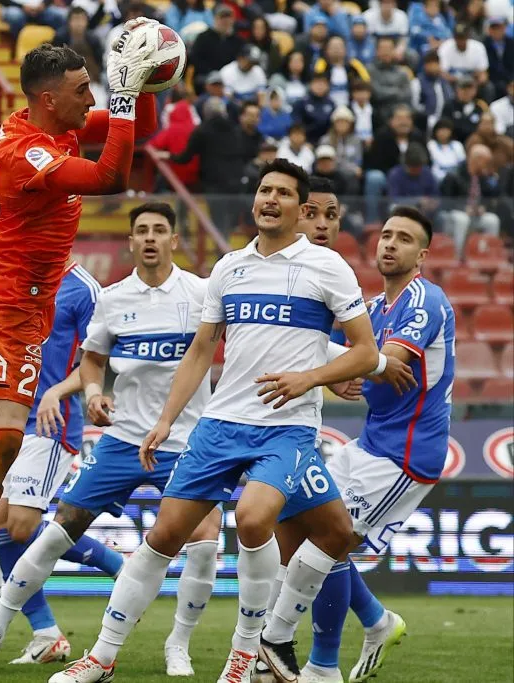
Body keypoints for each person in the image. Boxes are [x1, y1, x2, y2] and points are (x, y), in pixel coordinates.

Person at [50, 159, 379, 683]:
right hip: (220, 423)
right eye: (264, 190)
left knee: (253, 519)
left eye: (283, 194)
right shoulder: (228, 268)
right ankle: (102, 656)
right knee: (165, 535)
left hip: (286, 427)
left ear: (301, 209)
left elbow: (365, 353)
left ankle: (245, 654)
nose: (270, 199)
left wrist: (311, 377)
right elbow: (202, 349)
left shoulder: (327, 267)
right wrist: (166, 420)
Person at [0, 40, 158, 639]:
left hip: (21, 300)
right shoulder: (28, 153)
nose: (93, 100)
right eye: (84, 90)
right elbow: (113, 175)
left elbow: (140, 129)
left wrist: (145, 79)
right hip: (9, 305)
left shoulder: (54, 126)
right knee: (2, 439)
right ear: (50, 99)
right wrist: (124, 97)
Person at [0, 203, 224, 678]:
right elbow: (92, 360)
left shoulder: (201, 294)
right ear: (131, 243)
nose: (151, 238)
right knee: (58, 529)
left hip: (186, 442)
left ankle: (179, 644)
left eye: (160, 230)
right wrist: (92, 393)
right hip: (122, 440)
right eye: (142, 231)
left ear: (175, 241)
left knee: (203, 541)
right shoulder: (114, 298)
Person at [298, 207, 455, 683]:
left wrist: (357, 366)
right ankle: (376, 621)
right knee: (311, 527)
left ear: (422, 255)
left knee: (328, 543)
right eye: (386, 234)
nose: (390, 244)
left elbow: (388, 360)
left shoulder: (425, 300)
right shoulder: (374, 307)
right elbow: (364, 361)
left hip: (405, 454)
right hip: (371, 443)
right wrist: (354, 369)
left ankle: (323, 667)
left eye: (404, 239)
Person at [364, 105, 424, 222]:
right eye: (400, 118)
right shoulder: (382, 136)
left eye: (407, 118)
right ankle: (372, 221)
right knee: (374, 178)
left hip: (412, 177)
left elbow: (426, 162)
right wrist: (395, 174)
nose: (404, 122)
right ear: (391, 121)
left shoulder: (417, 137)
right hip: (386, 177)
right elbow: (374, 163)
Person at [440, 144, 503, 250]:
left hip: (474, 214)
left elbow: (492, 196)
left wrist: (483, 207)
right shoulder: (454, 175)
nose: (487, 165)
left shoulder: (482, 176)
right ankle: (457, 255)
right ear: (477, 160)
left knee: (493, 220)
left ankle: (487, 253)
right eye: (486, 162)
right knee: (462, 219)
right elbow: (446, 202)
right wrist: (463, 208)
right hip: (453, 215)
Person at [188, 4, 242, 94]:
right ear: (215, 19)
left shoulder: (238, 41)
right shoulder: (203, 37)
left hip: (231, 78)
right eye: (222, 17)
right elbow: (195, 58)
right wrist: (210, 72)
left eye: (228, 17)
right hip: (206, 76)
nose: (225, 20)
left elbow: (239, 60)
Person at [311, 35, 371, 109]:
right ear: (326, 50)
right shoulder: (321, 64)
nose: (336, 49)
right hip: (326, 106)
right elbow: (316, 84)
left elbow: (366, 83)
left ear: (345, 49)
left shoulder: (354, 65)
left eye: (339, 46)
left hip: (351, 106)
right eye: (333, 47)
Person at [367, 37, 412, 122]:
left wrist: (387, 92)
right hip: (379, 110)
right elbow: (376, 93)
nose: (386, 52)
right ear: (377, 51)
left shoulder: (402, 72)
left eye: (389, 49)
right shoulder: (370, 70)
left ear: (394, 51)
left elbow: (407, 95)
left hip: (400, 109)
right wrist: (397, 91)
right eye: (383, 49)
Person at [437, 23, 490, 92]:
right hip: (453, 82)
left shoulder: (478, 47)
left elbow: (483, 73)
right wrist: (457, 80)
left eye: (462, 38)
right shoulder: (445, 47)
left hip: (473, 81)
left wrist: (475, 83)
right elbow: (441, 72)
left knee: (488, 87)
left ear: (468, 36)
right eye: (458, 38)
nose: (460, 41)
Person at [319, 105, 362, 180]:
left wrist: (353, 169)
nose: (342, 124)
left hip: (351, 174)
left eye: (345, 122)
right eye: (339, 122)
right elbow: (327, 162)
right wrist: (350, 168)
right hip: (331, 174)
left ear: (351, 124)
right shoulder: (325, 140)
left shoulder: (356, 140)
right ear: (334, 123)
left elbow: (358, 160)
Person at [441, 74, 487, 142]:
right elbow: (445, 126)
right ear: (457, 89)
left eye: (470, 89)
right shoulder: (449, 106)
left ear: (475, 90)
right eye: (463, 88)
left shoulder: (480, 106)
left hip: (474, 142)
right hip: (454, 141)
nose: (467, 92)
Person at [293, 72, 335, 144]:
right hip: (306, 142)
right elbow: (297, 127)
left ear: (328, 86)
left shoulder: (332, 104)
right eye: (317, 83)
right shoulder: (301, 103)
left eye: (323, 83)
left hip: (327, 142)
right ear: (310, 85)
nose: (320, 86)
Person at [427, 118, 466, 183]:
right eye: (441, 130)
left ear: (451, 131)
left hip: (456, 178)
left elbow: (462, 164)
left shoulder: (457, 145)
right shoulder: (431, 145)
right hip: (437, 178)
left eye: (446, 130)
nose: (443, 132)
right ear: (435, 131)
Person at [484, 17, 513, 98]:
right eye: (494, 28)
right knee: (490, 88)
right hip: (492, 79)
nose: (496, 31)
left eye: (499, 28)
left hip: (510, 78)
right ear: (489, 30)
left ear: (504, 29)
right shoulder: (484, 44)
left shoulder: (511, 43)